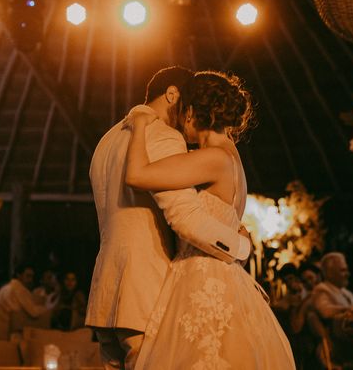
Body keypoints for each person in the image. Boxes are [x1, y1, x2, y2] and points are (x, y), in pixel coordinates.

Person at [85, 66, 252, 370]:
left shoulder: (106, 141)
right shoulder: (163, 135)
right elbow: (183, 214)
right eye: (186, 104)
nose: (187, 117)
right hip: (146, 291)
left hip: (105, 291)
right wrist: (241, 247)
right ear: (173, 94)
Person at [125, 70, 294, 369]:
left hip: (201, 279)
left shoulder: (213, 158)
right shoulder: (232, 158)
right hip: (226, 279)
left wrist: (139, 124)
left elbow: (137, 175)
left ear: (190, 112)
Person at [0, 263, 55, 341]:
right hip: (4, 333)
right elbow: (33, 312)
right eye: (28, 276)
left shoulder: (7, 287)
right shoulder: (17, 289)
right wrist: (46, 310)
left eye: (31, 276)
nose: (30, 280)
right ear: (19, 275)